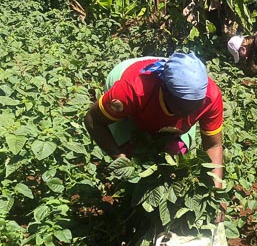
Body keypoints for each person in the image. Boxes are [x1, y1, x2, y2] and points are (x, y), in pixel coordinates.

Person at [84, 52, 225, 188]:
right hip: (128, 75)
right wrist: (119, 157)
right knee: (133, 153)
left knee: (175, 158)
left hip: (181, 76)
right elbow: (92, 120)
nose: (186, 116)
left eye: (194, 109)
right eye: (181, 109)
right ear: (164, 89)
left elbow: (213, 146)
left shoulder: (210, 97)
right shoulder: (133, 90)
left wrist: (216, 190)